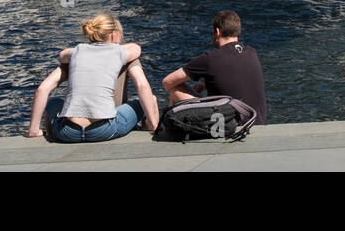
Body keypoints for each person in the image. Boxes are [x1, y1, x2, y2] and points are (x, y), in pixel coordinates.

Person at [27, 13, 158, 142]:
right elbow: (142, 83)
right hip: (104, 129)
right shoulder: (119, 53)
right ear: (114, 34)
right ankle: (151, 131)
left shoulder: (76, 52)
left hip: (68, 132)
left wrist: (33, 129)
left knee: (53, 102)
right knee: (149, 100)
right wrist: (153, 125)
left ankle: (42, 134)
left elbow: (42, 89)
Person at [163, 10, 267, 124]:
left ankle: (167, 129)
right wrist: (204, 82)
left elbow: (167, 82)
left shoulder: (210, 58)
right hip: (257, 122)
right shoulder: (252, 52)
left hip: (227, 126)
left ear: (217, 32)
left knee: (174, 90)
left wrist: (191, 89)